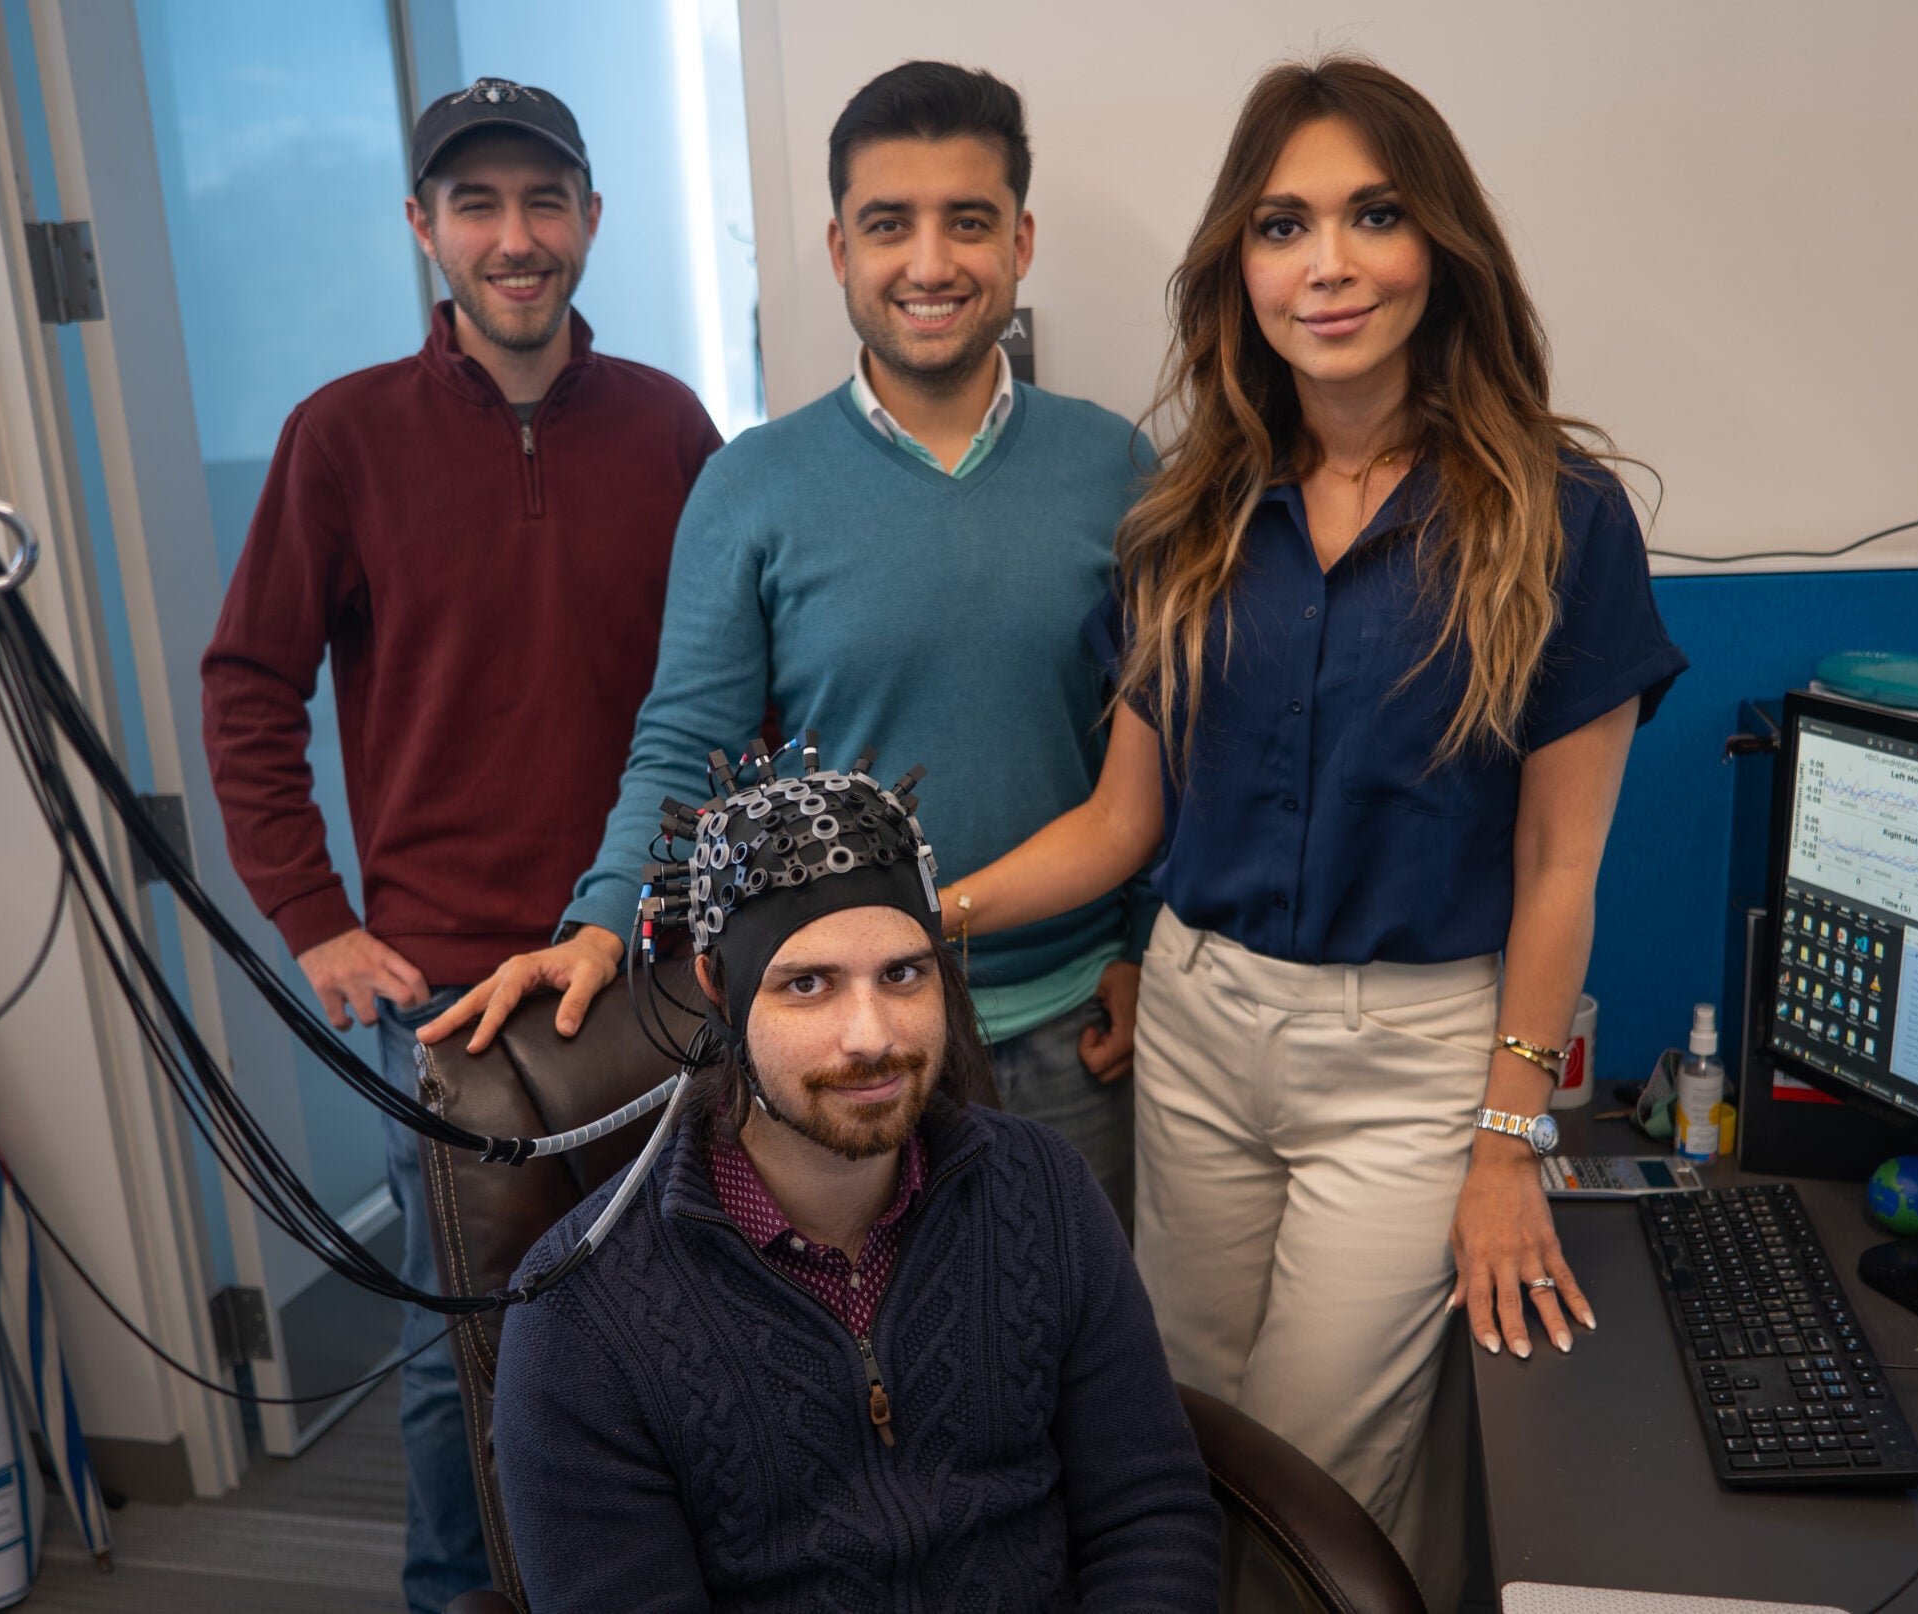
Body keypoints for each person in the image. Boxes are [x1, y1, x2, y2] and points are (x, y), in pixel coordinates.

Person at [935, 56, 1687, 1607]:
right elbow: (1121, 821)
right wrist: (915, 918)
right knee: (1177, 1437)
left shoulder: (1558, 517)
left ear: (1443, 249)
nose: (1328, 262)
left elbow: (1559, 870)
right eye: (1283, 225)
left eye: (1373, 215)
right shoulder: (1190, 516)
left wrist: (1508, 1137)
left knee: (1322, 1465)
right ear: (1239, 267)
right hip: (1202, 1027)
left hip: (1414, 1059)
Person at [424, 62, 1153, 1228]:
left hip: (1076, 1033)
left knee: (1066, 1372)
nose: (927, 264)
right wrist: (600, 922)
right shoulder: (751, 484)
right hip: (842, 1042)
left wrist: (1141, 945)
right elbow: (681, 745)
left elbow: (1155, 751)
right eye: (887, 226)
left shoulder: (1115, 468)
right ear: (835, 250)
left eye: (966, 222)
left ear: (1019, 240)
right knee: (867, 1386)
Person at [198, 77, 720, 1614]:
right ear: (425, 229)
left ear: (590, 223)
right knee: (464, 1356)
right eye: (478, 206)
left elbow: (718, 690)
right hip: (444, 995)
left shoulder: (671, 429)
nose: (516, 237)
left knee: (682, 1313)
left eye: (544, 202)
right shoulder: (341, 437)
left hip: (643, 963)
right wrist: (311, 911)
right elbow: (247, 683)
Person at [491, 751, 1220, 1612]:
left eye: (902, 974)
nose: (871, 1038)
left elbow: (1149, 1515)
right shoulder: (582, 1315)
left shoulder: (1042, 1189)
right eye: (807, 985)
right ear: (719, 992)